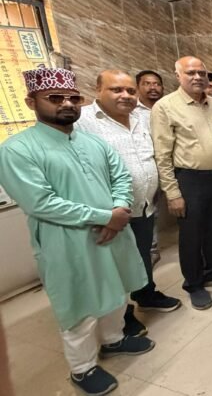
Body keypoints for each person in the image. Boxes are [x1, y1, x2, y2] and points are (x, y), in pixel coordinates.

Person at [0, 68, 154, 396]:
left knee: (116, 291)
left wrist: (120, 208)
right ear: (31, 102)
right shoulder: (17, 149)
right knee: (79, 306)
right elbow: (40, 203)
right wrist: (106, 217)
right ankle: (82, 369)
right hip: (67, 241)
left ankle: (113, 340)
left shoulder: (93, 142)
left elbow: (121, 177)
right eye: (55, 98)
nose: (67, 104)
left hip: (113, 232)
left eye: (73, 97)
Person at [76, 70, 182, 331]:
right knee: (113, 265)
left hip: (144, 205)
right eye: (116, 90)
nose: (125, 95)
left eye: (130, 91)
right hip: (109, 212)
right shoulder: (82, 122)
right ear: (98, 89)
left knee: (142, 255)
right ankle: (121, 316)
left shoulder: (143, 118)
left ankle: (146, 294)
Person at [151, 56, 212, 311]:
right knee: (192, 234)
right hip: (190, 179)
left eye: (201, 72)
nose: (197, 77)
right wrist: (172, 193)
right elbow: (162, 155)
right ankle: (193, 283)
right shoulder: (166, 107)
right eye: (190, 72)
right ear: (178, 75)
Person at [135, 69, 164, 266]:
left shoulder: (167, 108)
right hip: (147, 166)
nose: (153, 87)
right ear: (138, 87)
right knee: (148, 208)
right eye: (147, 83)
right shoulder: (132, 112)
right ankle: (150, 250)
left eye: (157, 84)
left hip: (169, 165)